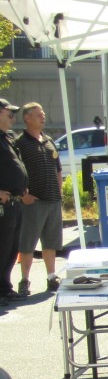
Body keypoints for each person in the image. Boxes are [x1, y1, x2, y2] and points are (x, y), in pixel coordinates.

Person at [15, 102, 64, 295]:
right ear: (27, 118)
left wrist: (59, 192)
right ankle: (25, 280)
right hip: (33, 202)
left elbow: (58, 169)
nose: (42, 117)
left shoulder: (48, 140)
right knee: (28, 243)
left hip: (53, 200)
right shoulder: (21, 143)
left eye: (43, 113)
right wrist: (23, 195)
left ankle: (51, 277)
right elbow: (15, 172)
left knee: (51, 242)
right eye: (38, 114)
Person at [0, 97, 28, 306]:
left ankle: (4, 288)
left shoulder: (7, 138)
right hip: (3, 202)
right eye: (8, 112)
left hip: (15, 202)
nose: (12, 116)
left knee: (10, 248)